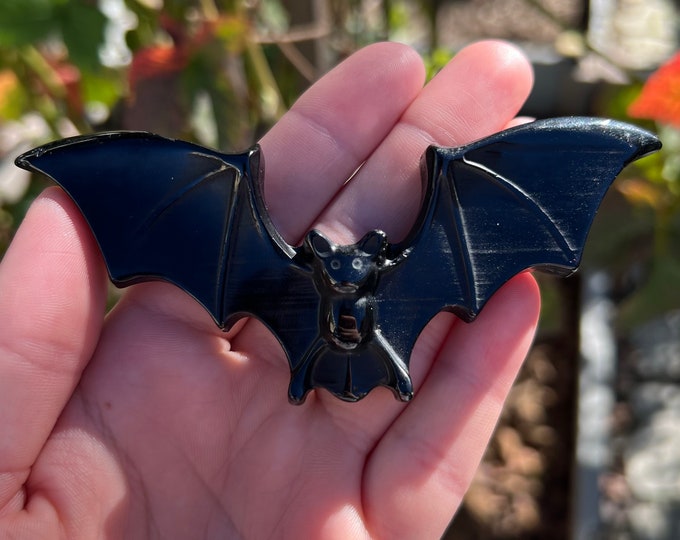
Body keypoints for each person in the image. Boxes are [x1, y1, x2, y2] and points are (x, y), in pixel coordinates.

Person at [0, 40, 540, 538]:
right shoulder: (283, 272)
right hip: (309, 341)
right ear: (322, 267)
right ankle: (308, 375)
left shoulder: (403, 269)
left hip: (383, 342)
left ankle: (372, 375)